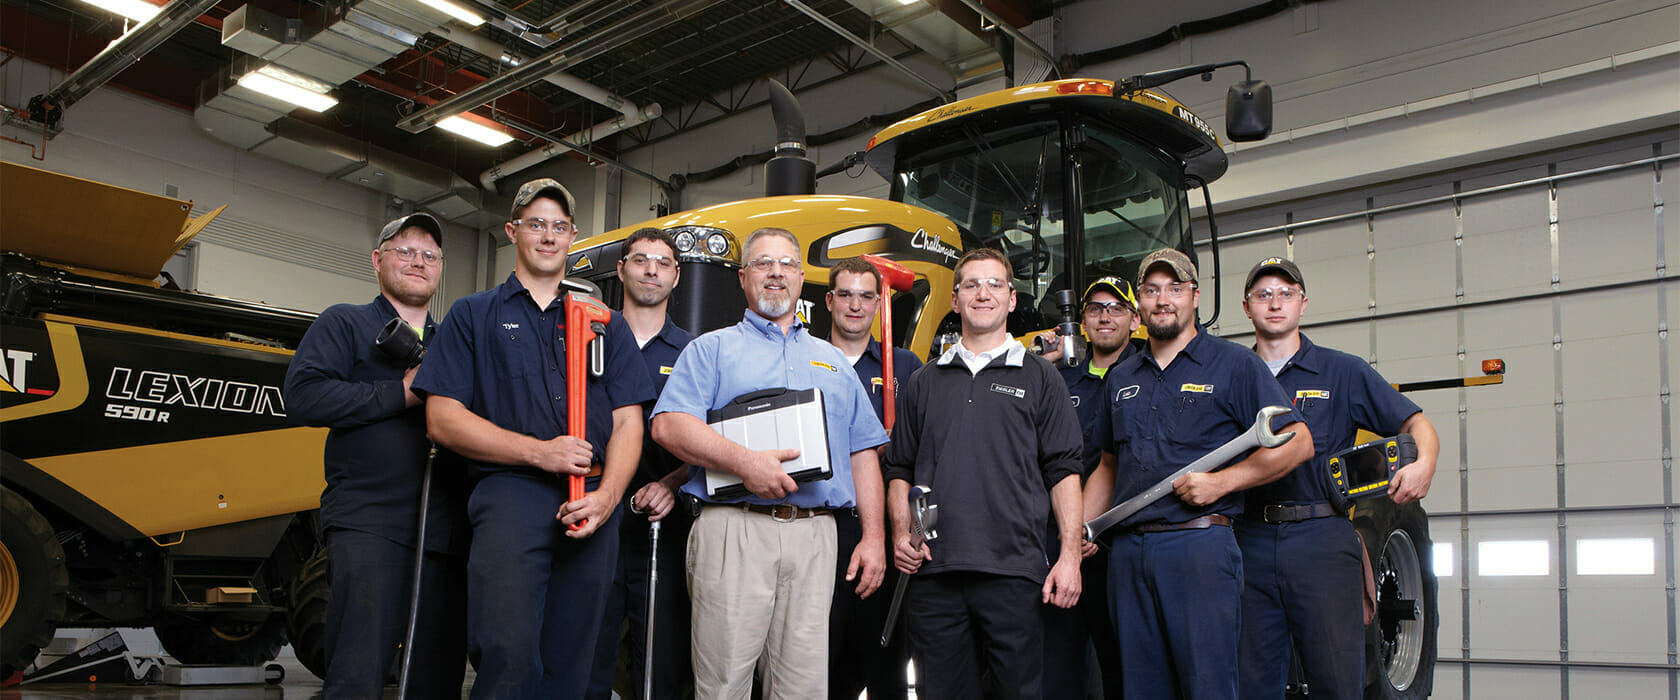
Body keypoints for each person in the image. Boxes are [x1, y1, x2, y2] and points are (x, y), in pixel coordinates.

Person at [413, 178, 655, 699]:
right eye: (536, 224)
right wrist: (539, 453)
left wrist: (609, 496)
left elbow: (629, 420)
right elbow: (443, 419)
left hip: (592, 502)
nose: (548, 236)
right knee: (508, 654)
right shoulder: (473, 316)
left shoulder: (604, 323)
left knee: (576, 663)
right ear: (512, 231)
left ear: (573, 236)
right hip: (510, 496)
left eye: (559, 226)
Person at [650, 227, 888, 700]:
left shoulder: (834, 362)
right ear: (743, 278)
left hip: (816, 535)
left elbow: (863, 451)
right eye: (762, 263)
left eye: (785, 265)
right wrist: (746, 464)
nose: (775, 273)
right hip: (733, 530)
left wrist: (875, 540)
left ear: (801, 280)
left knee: (803, 688)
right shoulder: (710, 350)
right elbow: (669, 426)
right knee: (723, 686)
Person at [1081, 248, 1314, 700]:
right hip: (1127, 553)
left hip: (1199, 546)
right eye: (1151, 290)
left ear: (1195, 296)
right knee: (1140, 688)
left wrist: (1222, 482)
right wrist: (1081, 533)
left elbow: (1298, 440)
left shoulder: (1234, 365)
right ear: (1139, 306)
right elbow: (1108, 466)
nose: (1162, 299)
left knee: (1207, 686)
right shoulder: (1122, 376)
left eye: (1174, 288)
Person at [1235, 256, 1440, 700]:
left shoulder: (1342, 371)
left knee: (1337, 682)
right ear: (1246, 307)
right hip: (1247, 540)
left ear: (1303, 304)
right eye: (1264, 295)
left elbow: (1417, 425)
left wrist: (1424, 464)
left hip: (1321, 539)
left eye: (1286, 294)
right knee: (1250, 684)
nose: (1275, 304)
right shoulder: (1230, 372)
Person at [884, 247, 1084, 700]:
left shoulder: (1040, 378)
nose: (983, 294)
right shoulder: (926, 381)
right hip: (935, 573)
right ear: (954, 301)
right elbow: (899, 469)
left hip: (1014, 573)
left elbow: (1065, 471)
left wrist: (1069, 557)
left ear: (1012, 300)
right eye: (971, 285)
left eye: (995, 284)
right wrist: (902, 533)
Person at [284, 212, 467, 698]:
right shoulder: (344, 322)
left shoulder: (454, 339)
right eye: (405, 251)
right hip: (370, 520)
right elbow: (303, 397)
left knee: (436, 671)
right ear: (376, 260)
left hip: (445, 528)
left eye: (429, 256)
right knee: (358, 666)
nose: (418, 262)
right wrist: (401, 393)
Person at [586, 228, 697, 700]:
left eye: (662, 262)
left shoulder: (695, 353)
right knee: (587, 654)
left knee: (663, 663)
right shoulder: (589, 337)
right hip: (591, 519)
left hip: (663, 528)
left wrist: (673, 483)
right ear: (621, 270)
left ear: (676, 277)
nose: (651, 269)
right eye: (640, 260)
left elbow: (711, 440)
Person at [1033, 276, 1142, 699]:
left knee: (1125, 664)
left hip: (1120, 546)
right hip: (1062, 543)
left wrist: (1095, 529)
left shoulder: (1147, 375)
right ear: (1081, 322)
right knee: (1060, 662)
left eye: (1116, 308)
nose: (1105, 316)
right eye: (1095, 308)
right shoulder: (1060, 381)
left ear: (1135, 319)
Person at [823, 256, 922, 700]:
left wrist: (893, 443)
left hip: (887, 525)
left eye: (868, 296)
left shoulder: (905, 365)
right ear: (829, 300)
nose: (856, 306)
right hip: (824, 523)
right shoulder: (807, 357)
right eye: (846, 294)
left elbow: (924, 440)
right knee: (822, 657)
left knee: (886, 659)